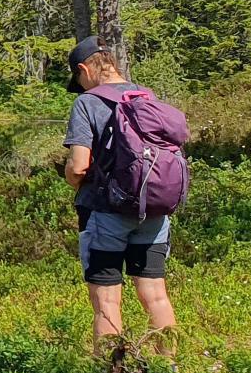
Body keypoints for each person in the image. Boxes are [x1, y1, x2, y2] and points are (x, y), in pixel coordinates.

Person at [64, 36, 177, 343]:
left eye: (79, 79)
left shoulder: (87, 103)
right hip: (153, 210)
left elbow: (78, 166)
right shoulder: (147, 97)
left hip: (105, 213)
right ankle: (171, 369)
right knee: (155, 296)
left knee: (107, 301)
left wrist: (72, 180)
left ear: (85, 69)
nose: (82, 86)